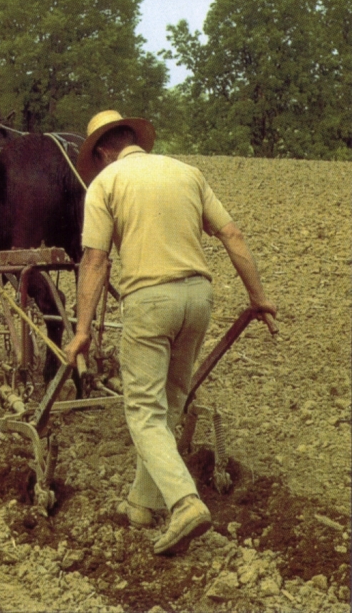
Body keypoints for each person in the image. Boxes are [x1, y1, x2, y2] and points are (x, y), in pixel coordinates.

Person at [64, 110, 277, 555]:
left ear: (103, 151)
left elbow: (96, 262)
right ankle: (142, 504)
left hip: (149, 301)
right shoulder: (187, 173)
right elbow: (232, 234)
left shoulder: (106, 183)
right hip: (198, 299)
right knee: (171, 401)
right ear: (133, 139)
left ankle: (183, 503)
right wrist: (259, 298)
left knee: (142, 410)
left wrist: (82, 330)